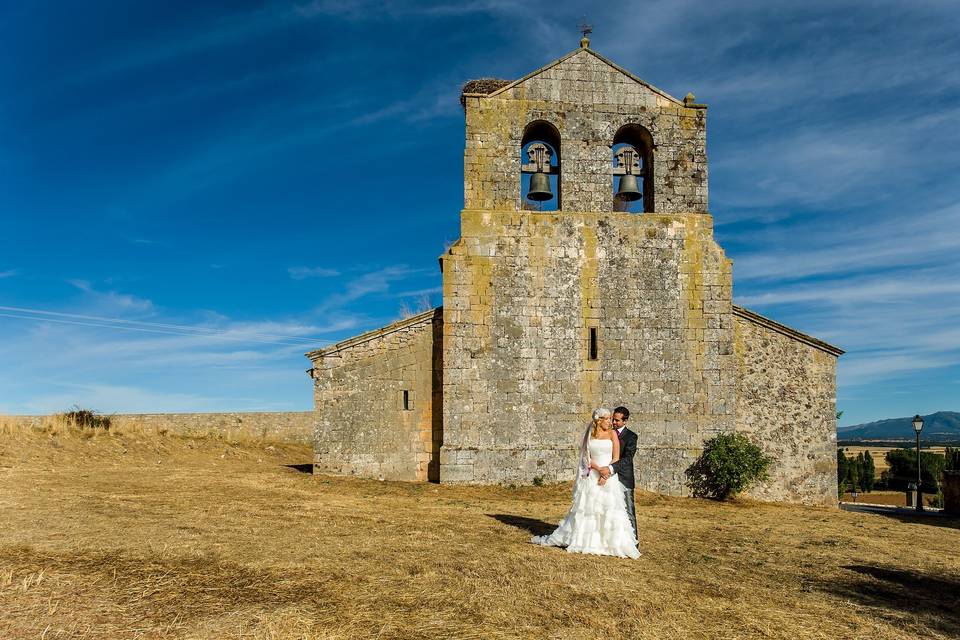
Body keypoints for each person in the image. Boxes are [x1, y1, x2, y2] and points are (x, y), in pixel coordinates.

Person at [531, 408, 640, 558]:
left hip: (608, 476)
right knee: (590, 509)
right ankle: (588, 540)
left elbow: (616, 457)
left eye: (612, 419)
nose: (610, 422)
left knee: (609, 509)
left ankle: (612, 542)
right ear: (599, 420)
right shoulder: (591, 433)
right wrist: (598, 469)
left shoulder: (613, 434)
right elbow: (586, 456)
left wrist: (606, 473)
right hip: (593, 475)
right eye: (607, 419)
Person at [598, 406, 638, 543]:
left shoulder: (632, 436)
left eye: (617, 420)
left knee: (629, 512)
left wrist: (610, 468)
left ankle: (633, 542)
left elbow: (628, 458)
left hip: (624, 478)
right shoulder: (608, 434)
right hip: (608, 479)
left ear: (625, 421)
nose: (613, 423)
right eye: (613, 419)